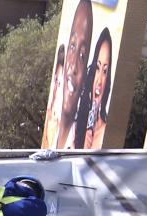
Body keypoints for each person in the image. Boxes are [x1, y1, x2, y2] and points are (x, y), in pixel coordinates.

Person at [55, 0, 93, 149]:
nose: (73, 66)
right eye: (72, 47)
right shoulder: (51, 125)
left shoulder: (82, 145)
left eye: (82, 55)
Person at [82, 28, 112, 149]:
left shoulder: (105, 132)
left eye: (105, 71)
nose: (99, 81)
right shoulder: (78, 124)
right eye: (97, 68)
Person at [42, 44, 65, 149]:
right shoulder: (49, 112)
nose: (55, 87)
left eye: (59, 83)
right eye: (56, 80)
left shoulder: (62, 122)